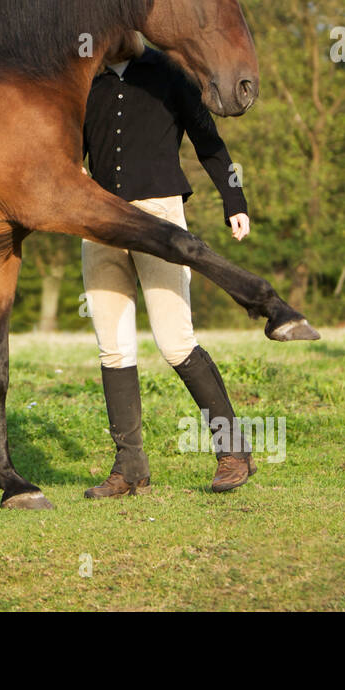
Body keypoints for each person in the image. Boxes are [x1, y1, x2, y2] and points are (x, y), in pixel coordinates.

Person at [81, 33, 257, 497]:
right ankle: (130, 468)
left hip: (159, 217)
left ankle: (234, 451)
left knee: (175, 341)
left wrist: (233, 200)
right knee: (112, 348)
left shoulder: (169, 72)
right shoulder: (85, 81)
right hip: (98, 221)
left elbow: (208, 139)